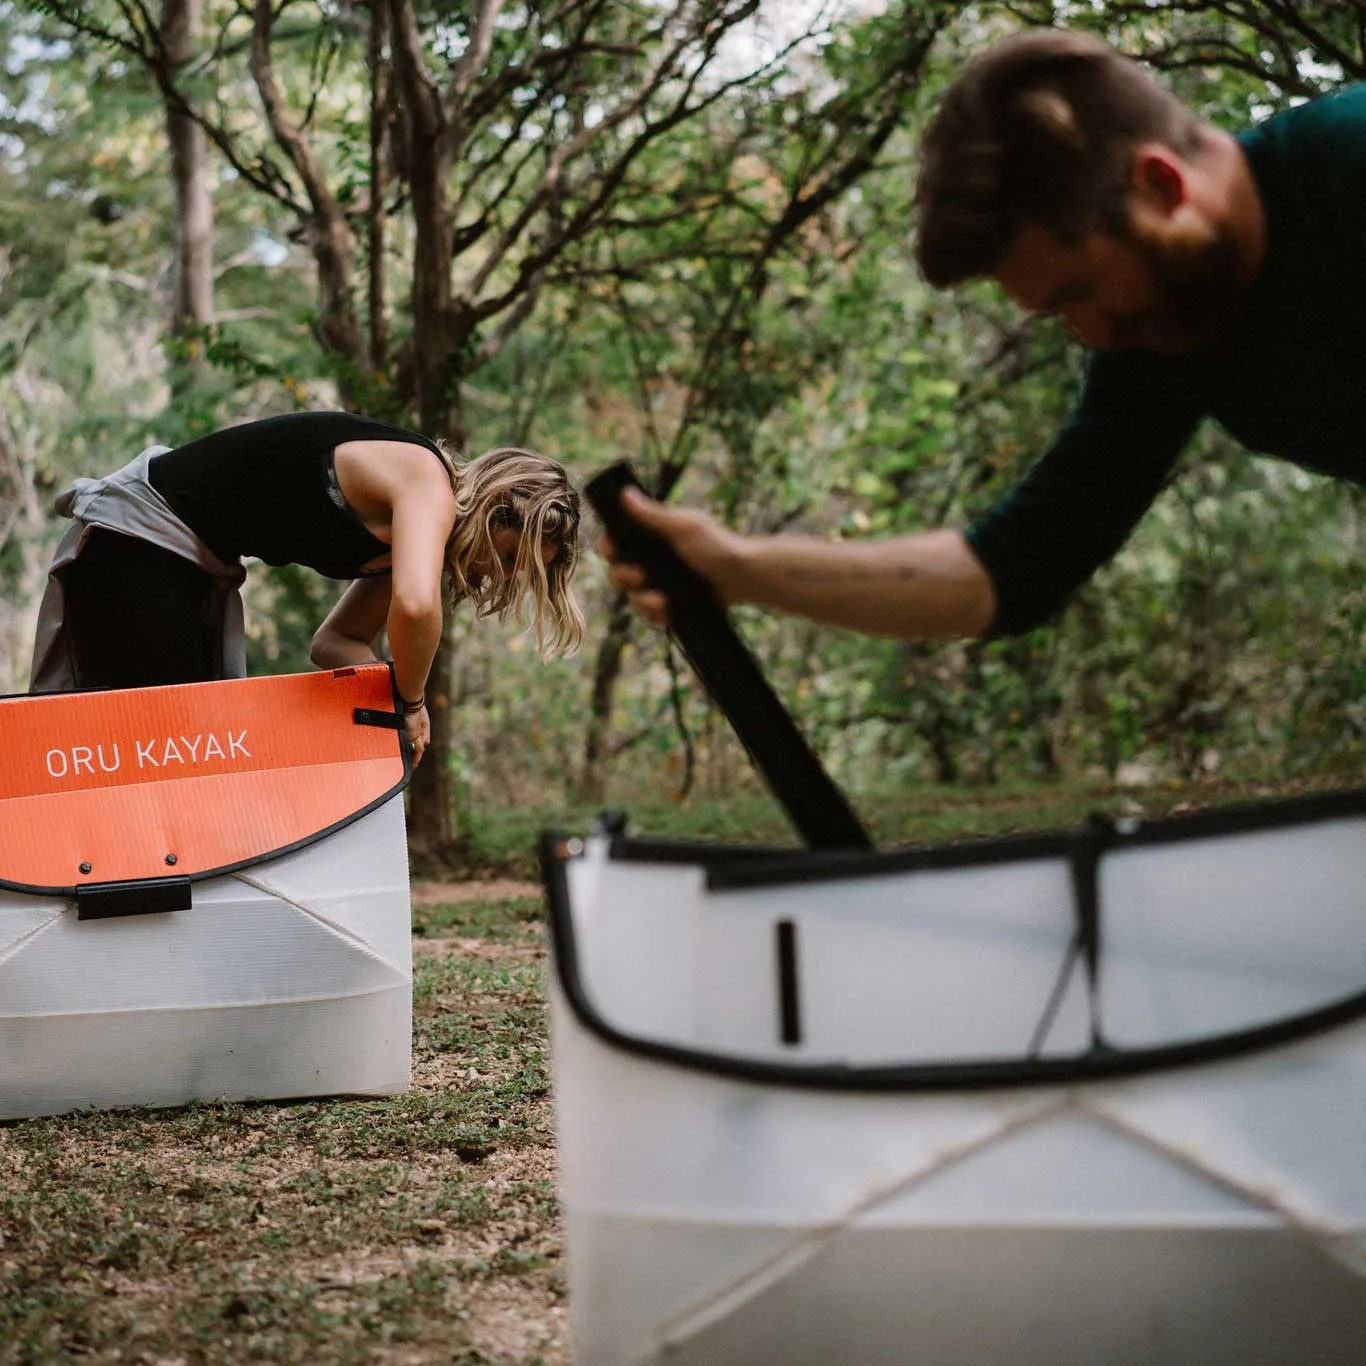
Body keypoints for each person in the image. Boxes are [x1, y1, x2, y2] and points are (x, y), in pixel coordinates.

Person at [601, 28, 1366, 649]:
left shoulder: (1344, 163)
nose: (1093, 335)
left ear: (1161, 187)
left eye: (1080, 295)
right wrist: (740, 570)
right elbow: (1012, 568)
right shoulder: (1164, 333)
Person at [30, 411, 584, 764]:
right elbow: (415, 609)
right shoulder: (427, 483)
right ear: (497, 510)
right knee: (155, 753)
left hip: (187, 568)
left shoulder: (409, 541)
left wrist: (388, 704)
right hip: (137, 537)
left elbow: (336, 643)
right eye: (511, 557)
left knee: (190, 758)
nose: (502, 575)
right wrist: (412, 701)